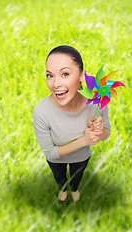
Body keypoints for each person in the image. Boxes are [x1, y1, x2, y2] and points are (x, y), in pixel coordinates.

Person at [33, 45, 111, 202]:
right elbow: (50, 153)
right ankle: (62, 189)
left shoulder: (97, 103)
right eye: (50, 75)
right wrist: (84, 141)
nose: (55, 84)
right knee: (59, 176)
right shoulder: (41, 111)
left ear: (82, 75)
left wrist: (99, 130)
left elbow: (105, 135)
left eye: (65, 74)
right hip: (56, 160)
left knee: (77, 176)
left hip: (81, 157)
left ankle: (74, 189)